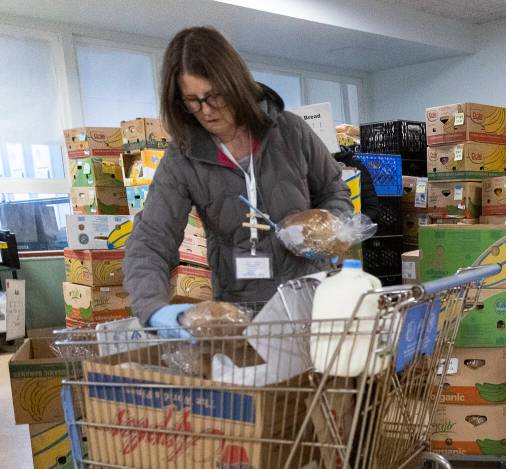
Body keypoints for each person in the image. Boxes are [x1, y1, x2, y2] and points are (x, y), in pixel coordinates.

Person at [124, 26, 353, 334]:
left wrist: (326, 227)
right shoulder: (183, 157)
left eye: (213, 96)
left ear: (236, 84)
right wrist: (153, 310)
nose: (205, 111)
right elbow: (151, 240)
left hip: (311, 305)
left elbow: (335, 191)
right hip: (239, 317)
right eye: (192, 100)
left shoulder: (290, 132)